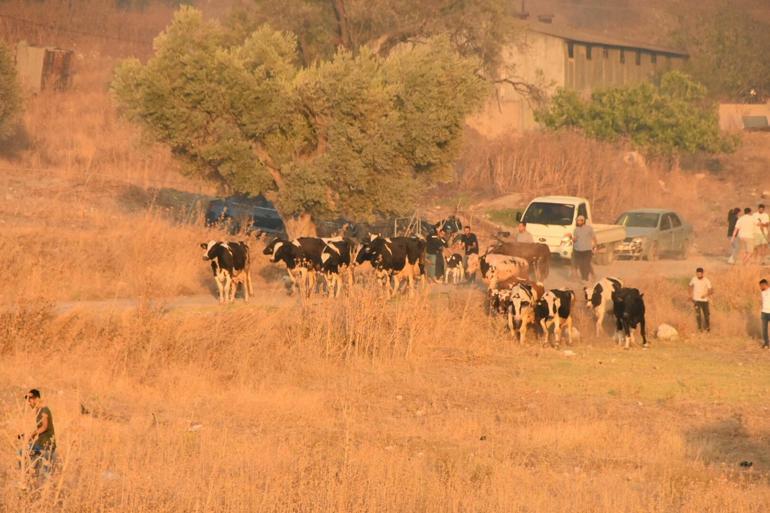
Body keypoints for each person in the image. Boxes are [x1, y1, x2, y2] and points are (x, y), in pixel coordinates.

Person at [21, 389, 56, 482]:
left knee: (45, 475)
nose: (29, 403)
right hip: (41, 444)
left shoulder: (44, 410)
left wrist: (31, 435)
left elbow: (44, 426)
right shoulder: (38, 410)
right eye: (28, 400)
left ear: (37, 399)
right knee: (24, 454)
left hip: (47, 445)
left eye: (30, 399)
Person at [567, 215, 597, 282]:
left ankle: (585, 278)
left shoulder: (589, 229)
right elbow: (575, 240)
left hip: (587, 250)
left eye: (579, 221)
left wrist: (595, 246)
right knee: (581, 265)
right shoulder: (576, 230)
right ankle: (585, 277)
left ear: (583, 221)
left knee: (586, 264)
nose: (578, 222)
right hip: (578, 250)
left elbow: (594, 238)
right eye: (577, 221)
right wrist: (570, 237)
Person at [689, 267, 713, 333]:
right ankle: (699, 329)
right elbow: (690, 286)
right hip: (696, 300)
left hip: (704, 300)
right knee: (698, 314)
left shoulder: (706, 280)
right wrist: (690, 295)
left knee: (706, 315)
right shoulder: (694, 279)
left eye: (700, 274)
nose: (698, 275)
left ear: (702, 273)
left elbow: (711, 290)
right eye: (697, 274)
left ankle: (708, 328)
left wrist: (705, 295)